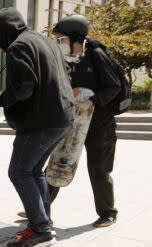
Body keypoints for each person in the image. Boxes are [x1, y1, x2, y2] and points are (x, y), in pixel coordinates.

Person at [0, 7, 74, 247]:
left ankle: (40, 230)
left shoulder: (19, 46)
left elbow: (25, 87)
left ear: (4, 32)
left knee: (19, 172)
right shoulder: (43, 41)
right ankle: (44, 224)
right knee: (35, 171)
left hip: (41, 121)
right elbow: (65, 74)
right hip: (62, 116)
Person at [49, 15, 121, 228]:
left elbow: (114, 86)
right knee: (57, 162)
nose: (58, 42)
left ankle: (108, 212)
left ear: (74, 38)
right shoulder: (67, 59)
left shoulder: (96, 55)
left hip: (100, 124)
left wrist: (93, 101)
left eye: (61, 38)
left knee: (98, 169)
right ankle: (39, 205)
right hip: (75, 122)